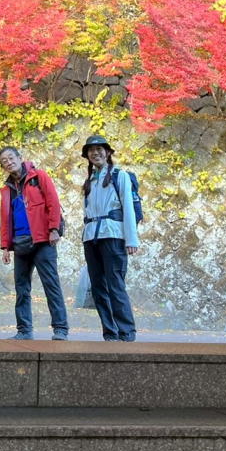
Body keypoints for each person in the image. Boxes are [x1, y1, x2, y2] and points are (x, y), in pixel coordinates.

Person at [0, 146, 69, 341]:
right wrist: (5, 246)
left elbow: (53, 202)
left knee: (51, 285)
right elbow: (5, 219)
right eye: (4, 161)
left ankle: (60, 328)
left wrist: (54, 229)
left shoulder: (39, 177)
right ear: (3, 167)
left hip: (42, 241)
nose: (9, 162)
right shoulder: (6, 190)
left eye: (11, 158)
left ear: (20, 158)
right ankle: (24, 330)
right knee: (21, 289)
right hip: (19, 243)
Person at [81, 134, 139, 342]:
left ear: (107, 152)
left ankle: (126, 331)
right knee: (98, 286)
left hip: (113, 235)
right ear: (87, 156)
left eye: (99, 149)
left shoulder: (119, 176)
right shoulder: (90, 181)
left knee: (115, 284)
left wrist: (131, 239)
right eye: (91, 150)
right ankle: (109, 331)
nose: (95, 153)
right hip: (91, 237)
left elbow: (129, 208)